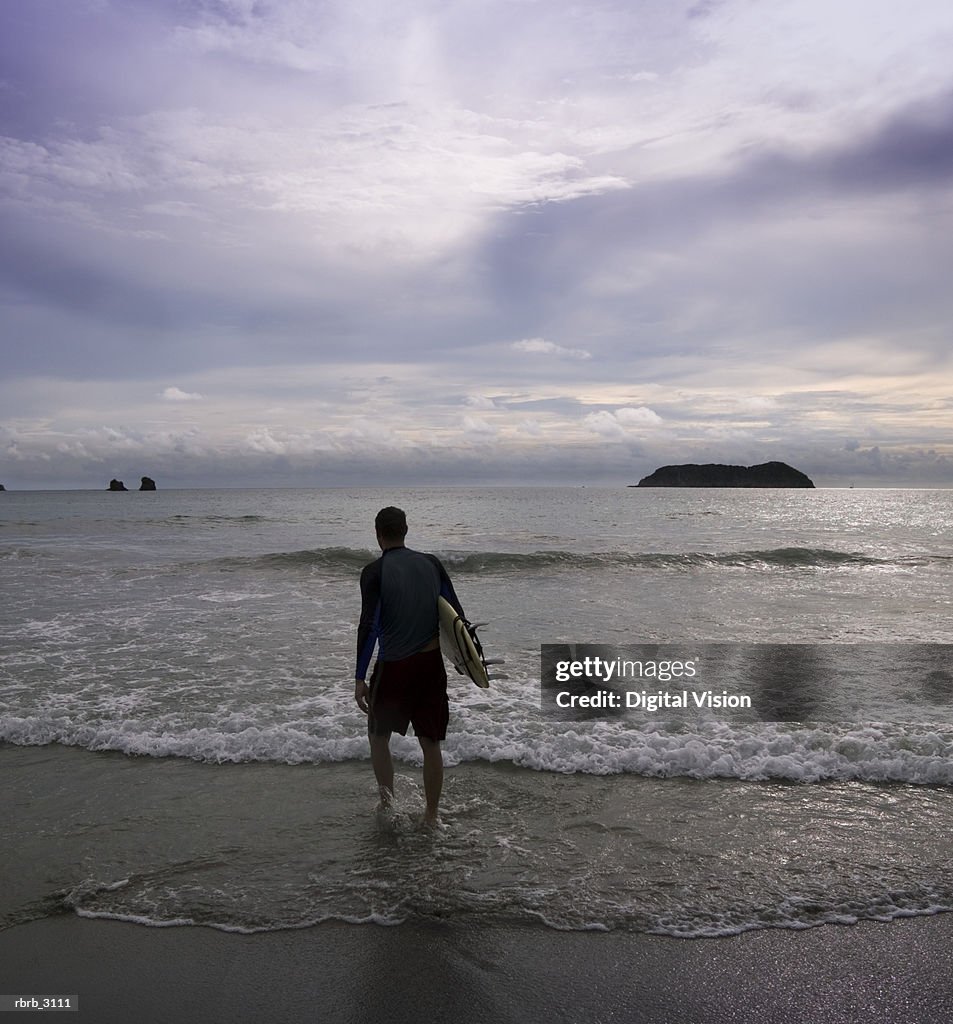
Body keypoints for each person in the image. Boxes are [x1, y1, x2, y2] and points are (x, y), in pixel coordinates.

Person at [354, 506, 465, 824]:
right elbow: (455, 616)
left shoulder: (374, 572)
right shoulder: (432, 564)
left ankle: (387, 804)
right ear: (405, 530)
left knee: (378, 736)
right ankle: (432, 816)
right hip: (431, 666)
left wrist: (360, 677)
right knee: (430, 742)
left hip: (395, 668)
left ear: (378, 534)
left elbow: (369, 626)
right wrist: (466, 661)